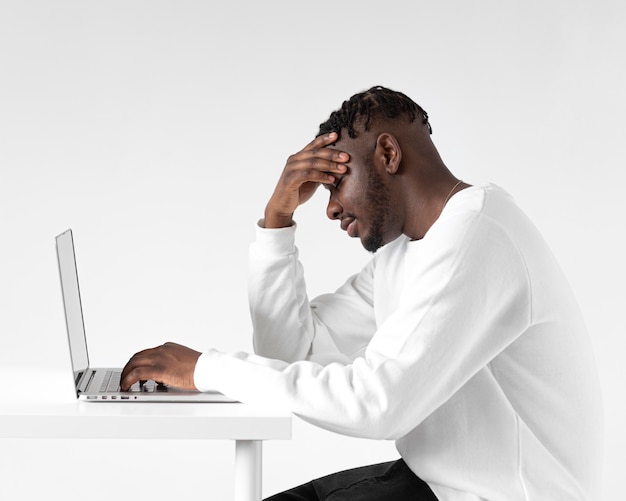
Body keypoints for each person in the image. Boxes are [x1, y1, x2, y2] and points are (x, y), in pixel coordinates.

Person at [121, 86, 603, 500]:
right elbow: (293, 353)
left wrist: (207, 369)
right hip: (435, 485)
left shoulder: (477, 235)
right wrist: (277, 219)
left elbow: (378, 405)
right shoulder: (408, 252)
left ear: (388, 155)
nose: (329, 209)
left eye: (335, 184)